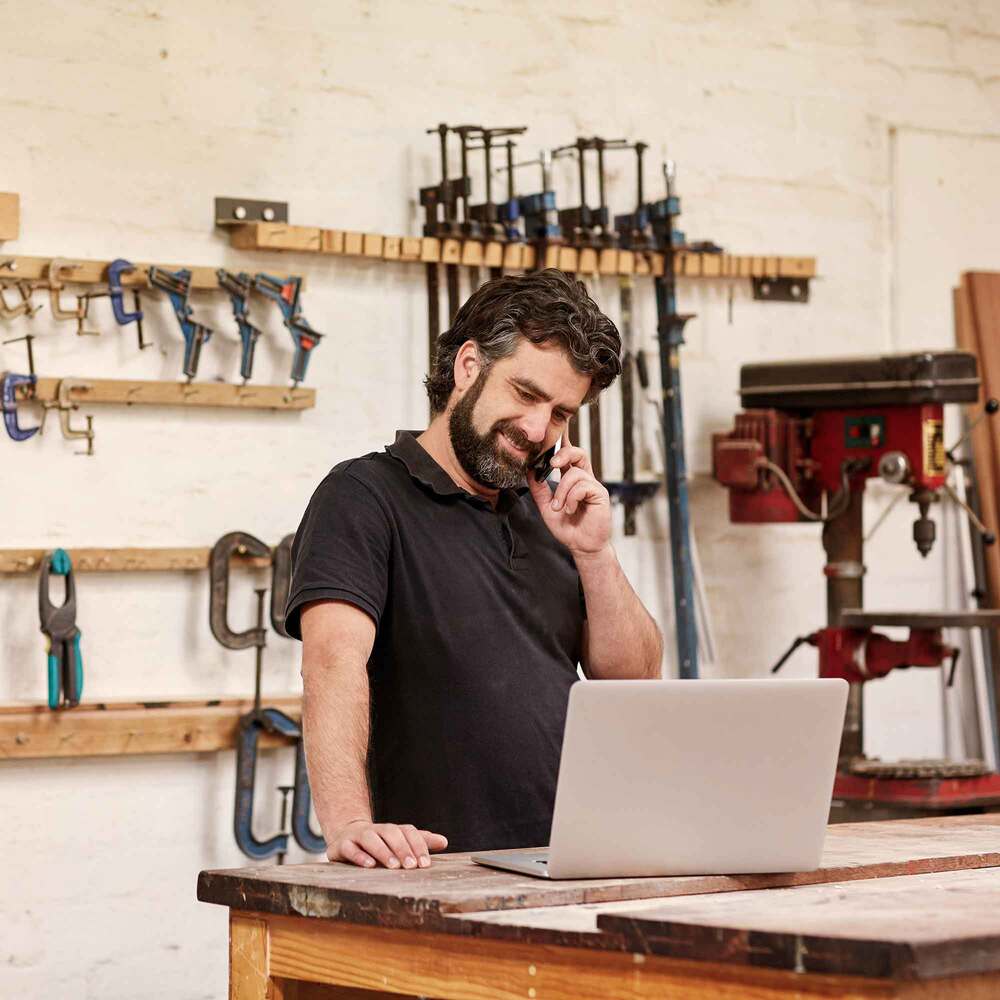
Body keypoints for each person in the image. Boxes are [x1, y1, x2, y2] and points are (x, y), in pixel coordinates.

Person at [285, 268, 663, 870]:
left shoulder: (552, 507)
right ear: (468, 366)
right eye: (526, 394)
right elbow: (331, 662)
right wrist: (350, 823)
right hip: (439, 869)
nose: (539, 429)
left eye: (562, 413)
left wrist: (594, 552)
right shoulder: (363, 496)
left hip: (572, 861)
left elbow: (634, 681)